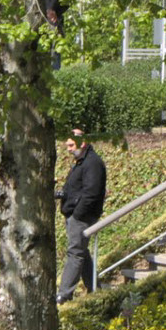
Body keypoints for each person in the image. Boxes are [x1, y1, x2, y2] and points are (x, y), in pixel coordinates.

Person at [55, 128, 108, 303]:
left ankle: (64, 294)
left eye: (71, 145)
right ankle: (95, 289)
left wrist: (77, 215)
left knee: (75, 253)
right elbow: (78, 189)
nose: (68, 149)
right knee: (82, 252)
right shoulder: (82, 161)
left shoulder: (92, 163)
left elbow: (91, 193)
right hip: (76, 214)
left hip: (82, 217)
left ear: (82, 142)